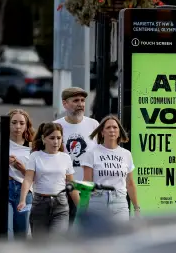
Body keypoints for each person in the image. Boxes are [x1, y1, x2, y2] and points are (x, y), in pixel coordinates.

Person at [17, 122, 80, 238]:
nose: (56, 142)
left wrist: (81, 207)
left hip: (61, 205)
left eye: (59, 138)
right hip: (40, 203)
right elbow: (28, 179)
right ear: (44, 139)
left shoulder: (65, 158)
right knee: (40, 245)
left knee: (56, 243)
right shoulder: (35, 156)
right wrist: (22, 200)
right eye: (52, 138)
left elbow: (71, 185)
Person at [54, 87, 99, 225]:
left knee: (83, 229)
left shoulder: (93, 125)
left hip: (86, 188)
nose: (80, 104)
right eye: (76, 101)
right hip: (61, 188)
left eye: (83, 100)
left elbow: (98, 156)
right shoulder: (56, 126)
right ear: (65, 103)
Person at [81, 115, 140, 221]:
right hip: (98, 200)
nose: (112, 130)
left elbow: (130, 183)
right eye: (108, 128)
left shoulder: (126, 154)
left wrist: (136, 208)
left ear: (119, 132)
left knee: (121, 236)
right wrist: (82, 209)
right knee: (99, 236)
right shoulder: (92, 153)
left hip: (120, 201)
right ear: (102, 133)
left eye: (115, 127)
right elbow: (87, 183)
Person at [8, 109, 35, 240]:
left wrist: (22, 169)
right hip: (5, 188)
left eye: (21, 123)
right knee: (5, 229)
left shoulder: (31, 147)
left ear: (26, 125)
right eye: (13, 122)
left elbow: (36, 176)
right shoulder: (0, 143)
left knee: (22, 231)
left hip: (24, 191)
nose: (17, 127)